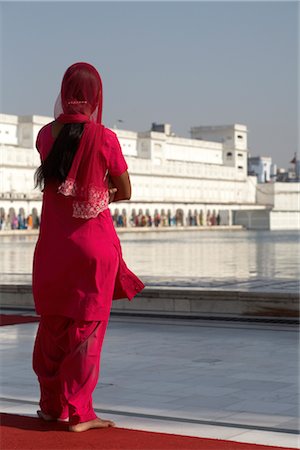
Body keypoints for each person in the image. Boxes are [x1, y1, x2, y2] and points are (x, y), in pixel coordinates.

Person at [32, 62, 145, 432]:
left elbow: (61, 170)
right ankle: (81, 413)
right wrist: (99, 194)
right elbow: (125, 191)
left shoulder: (45, 136)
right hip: (92, 248)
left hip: (52, 247)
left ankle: (50, 406)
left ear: (64, 91)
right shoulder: (105, 138)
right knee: (87, 329)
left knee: (52, 325)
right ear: (97, 96)